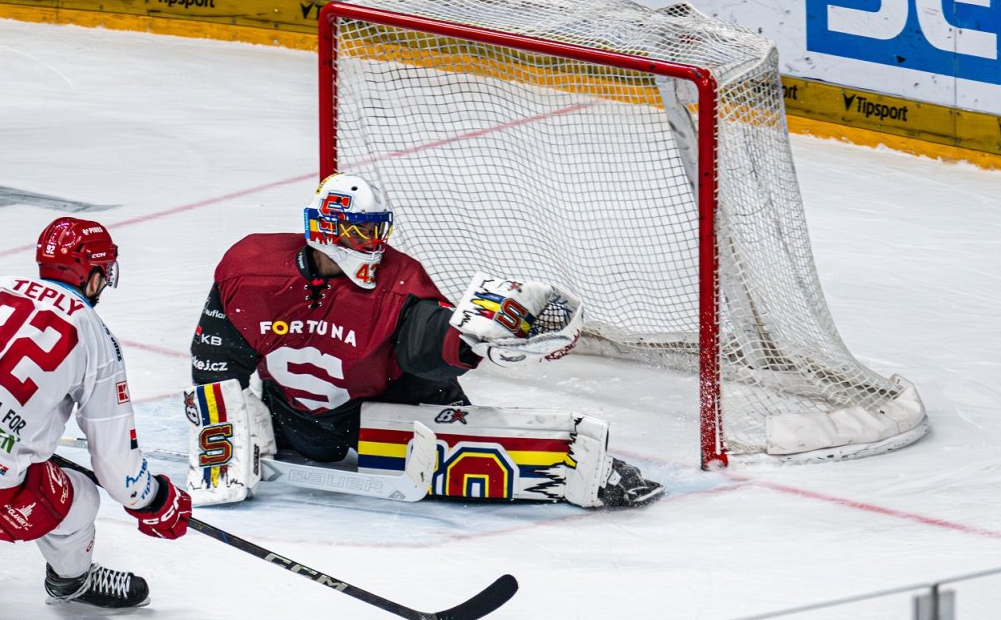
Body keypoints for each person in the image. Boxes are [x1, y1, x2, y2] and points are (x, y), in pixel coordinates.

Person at [189, 172, 663, 509]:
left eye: (377, 232)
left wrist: (472, 339)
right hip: (296, 421)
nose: (373, 245)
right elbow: (216, 357)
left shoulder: (397, 280)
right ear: (326, 231)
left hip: (391, 406)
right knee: (272, 417)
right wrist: (227, 431)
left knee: (456, 436)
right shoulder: (252, 270)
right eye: (360, 233)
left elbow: (428, 341)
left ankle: (576, 469)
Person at [0, 216, 192, 606]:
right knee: (80, 499)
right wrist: (153, 499)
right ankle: (72, 581)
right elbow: (115, 468)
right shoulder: (96, 338)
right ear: (92, 273)